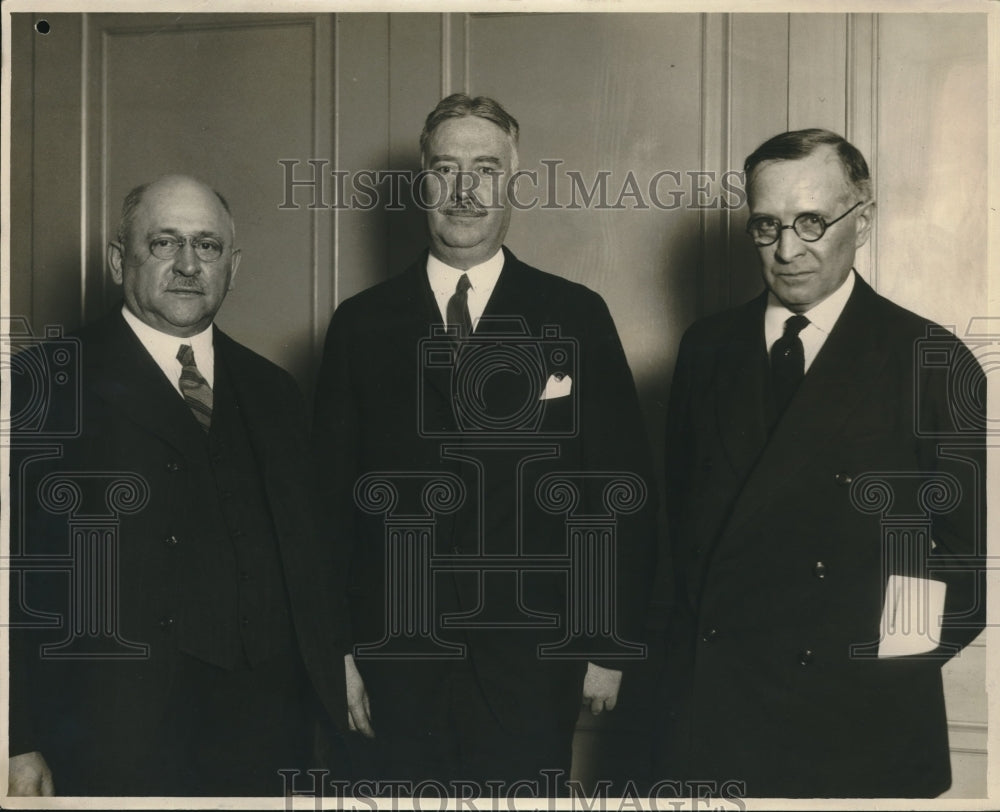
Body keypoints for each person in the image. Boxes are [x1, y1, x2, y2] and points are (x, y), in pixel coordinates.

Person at [313, 94, 658, 794]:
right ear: (423, 185)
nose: (465, 191)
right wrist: (335, 654)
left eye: (485, 170)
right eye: (446, 169)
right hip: (393, 667)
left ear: (512, 184)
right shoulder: (360, 326)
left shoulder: (575, 314)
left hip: (533, 666)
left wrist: (608, 643)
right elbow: (323, 511)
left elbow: (620, 488)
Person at [658, 129, 986, 797]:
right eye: (766, 226)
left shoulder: (931, 358)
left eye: (811, 222)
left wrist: (876, 672)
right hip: (722, 724)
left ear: (861, 221)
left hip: (857, 732)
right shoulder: (705, 350)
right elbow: (679, 534)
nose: (787, 251)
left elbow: (960, 560)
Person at [8, 175, 349, 796]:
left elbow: (312, 562)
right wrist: (15, 738)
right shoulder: (47, 382)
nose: (190, 264)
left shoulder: (274, 391)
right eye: (165, 243)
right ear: (119, 261)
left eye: (208, 246)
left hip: (263, 736)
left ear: (233, 266)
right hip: (109, 735)